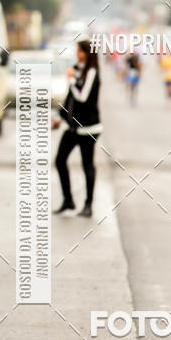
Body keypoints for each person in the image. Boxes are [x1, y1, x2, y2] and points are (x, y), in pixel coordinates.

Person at [53, 40, 101, 217]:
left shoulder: (92, 72)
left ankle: (88, 205)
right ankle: (68, 200)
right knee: (59, 160)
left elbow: (82, 96)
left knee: (87, 165)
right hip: (73, 128)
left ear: (87, 53)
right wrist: (60, 117)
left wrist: (72, 79)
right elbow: (71, 98)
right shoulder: (79, 70)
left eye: (80, 51)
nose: (77, 54)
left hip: (89, 128)